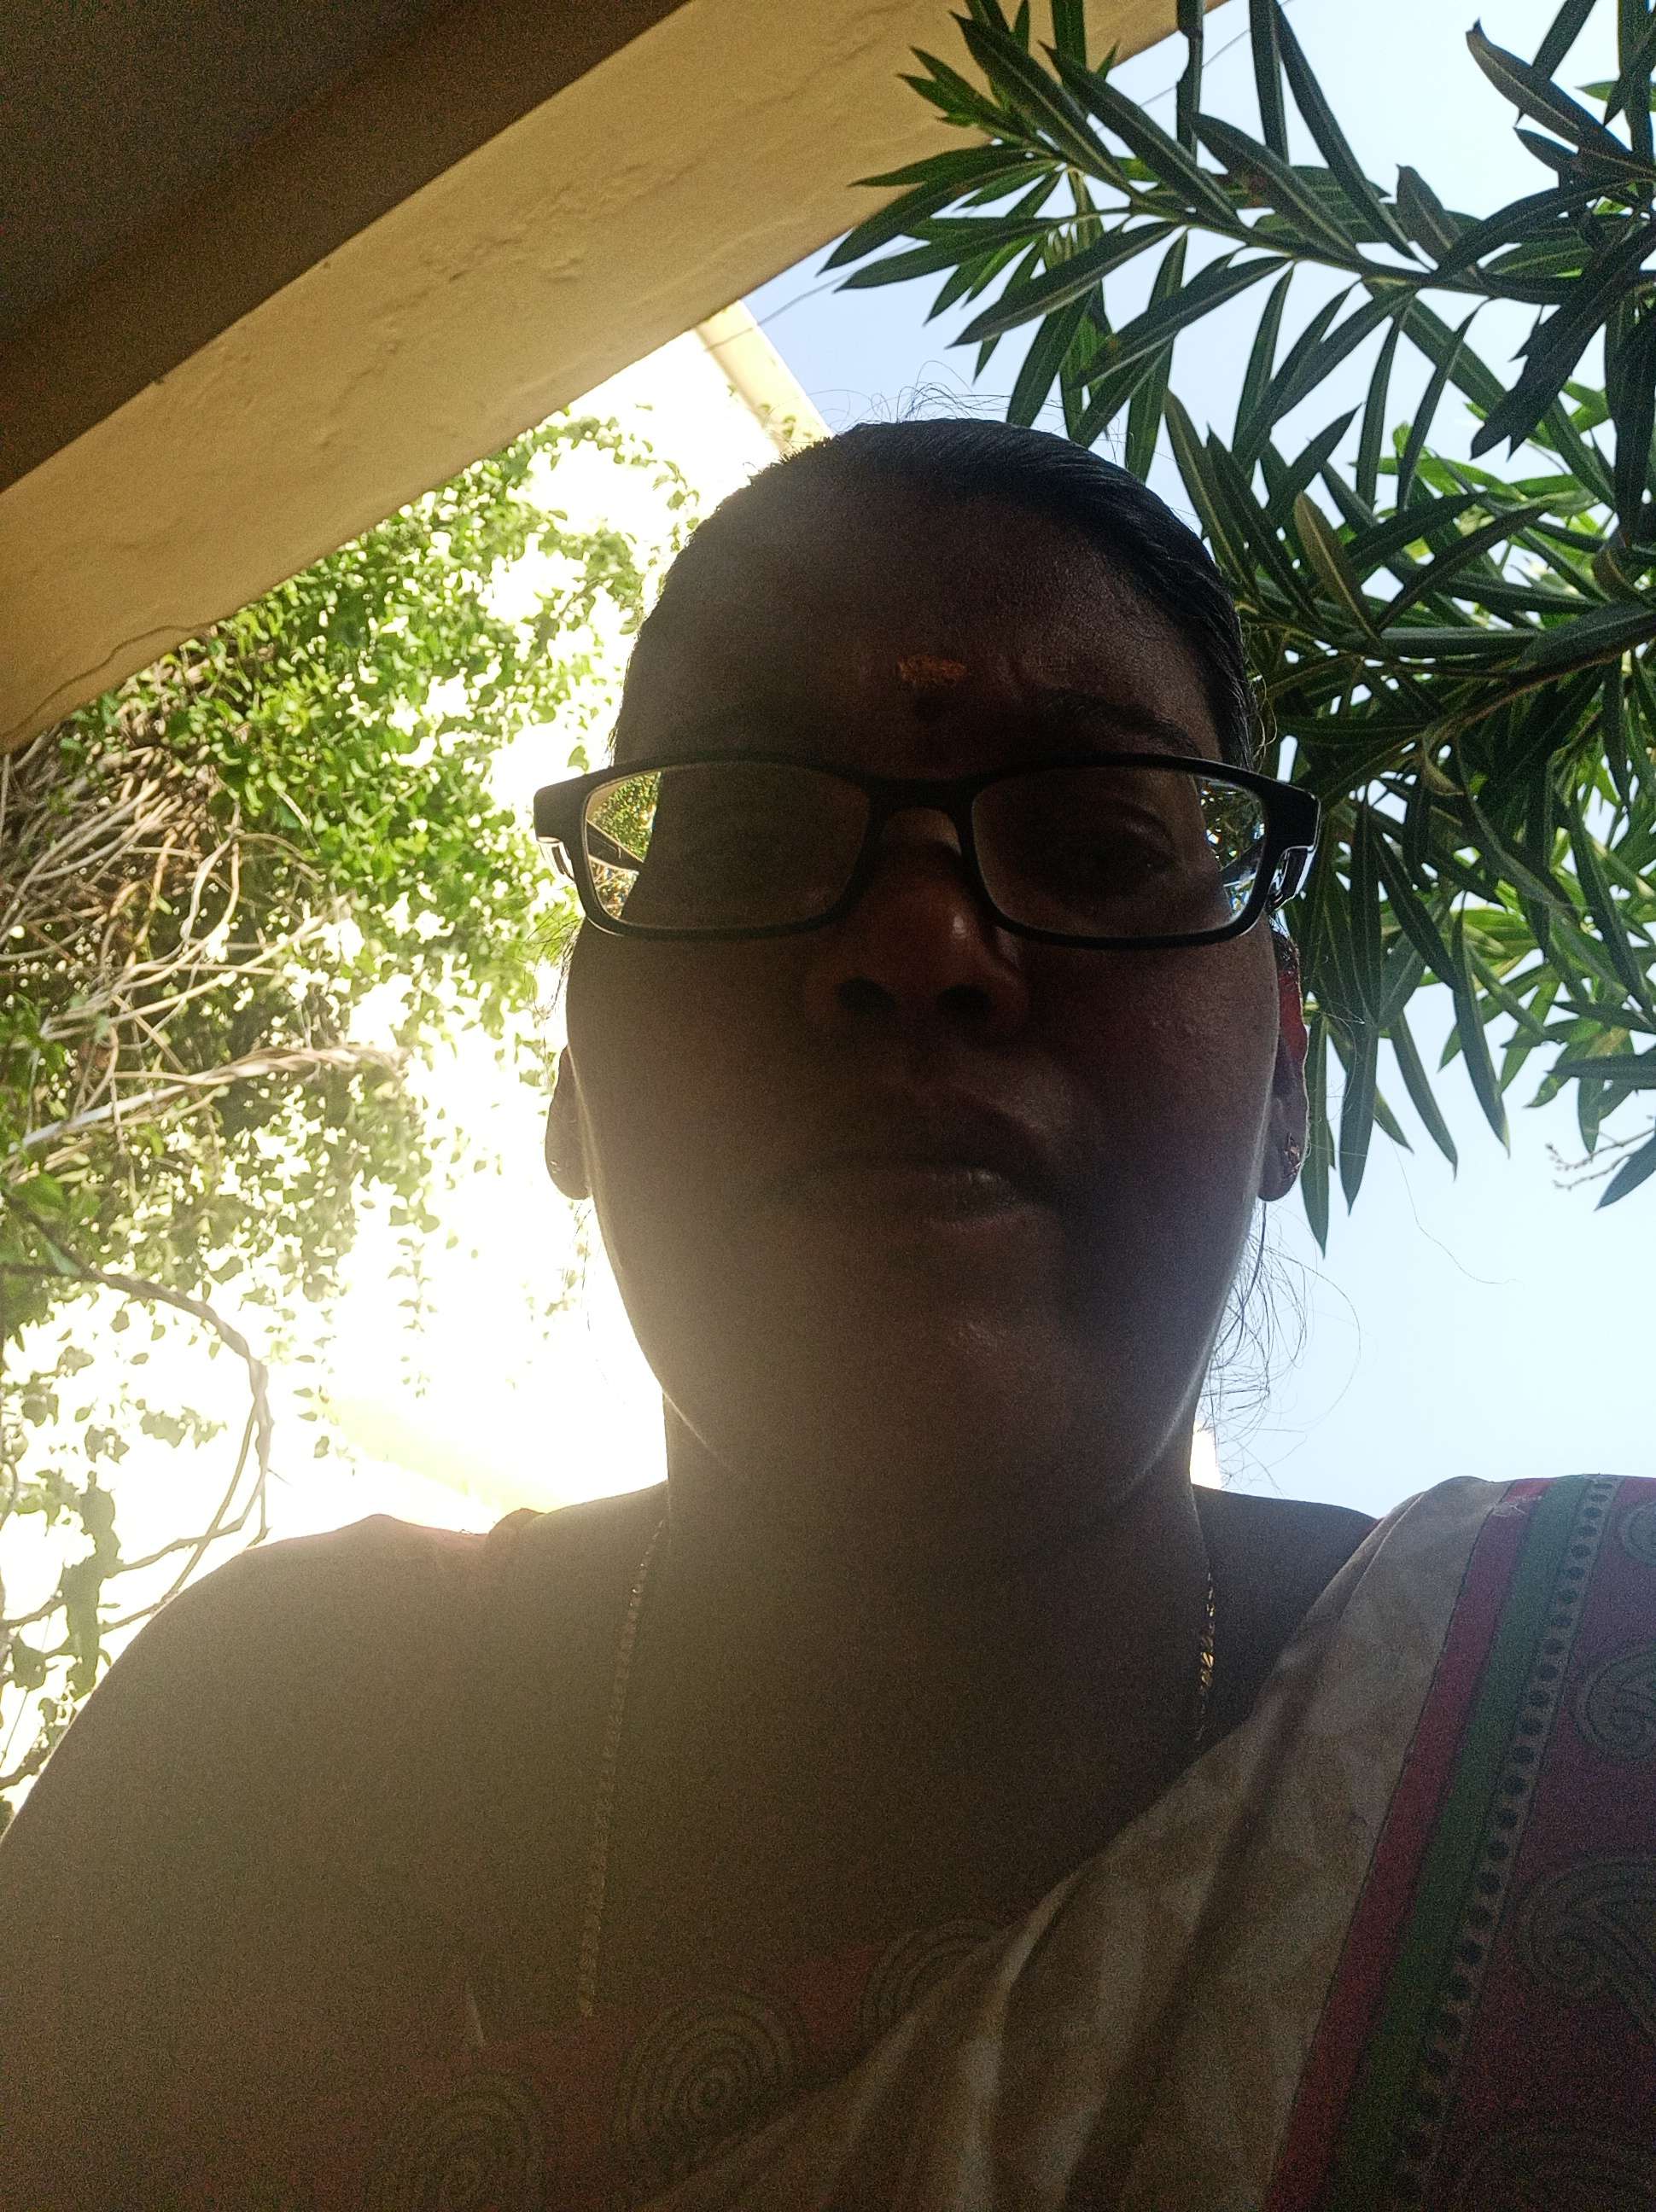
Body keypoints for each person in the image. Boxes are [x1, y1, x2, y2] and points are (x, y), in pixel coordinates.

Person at [2, 422, 1651, 2212]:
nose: (919, 939)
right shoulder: (254, 1763)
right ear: (574, 1081)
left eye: (1097, 842)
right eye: (746, 832)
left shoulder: (1589, 1711)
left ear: (1282, 1080)